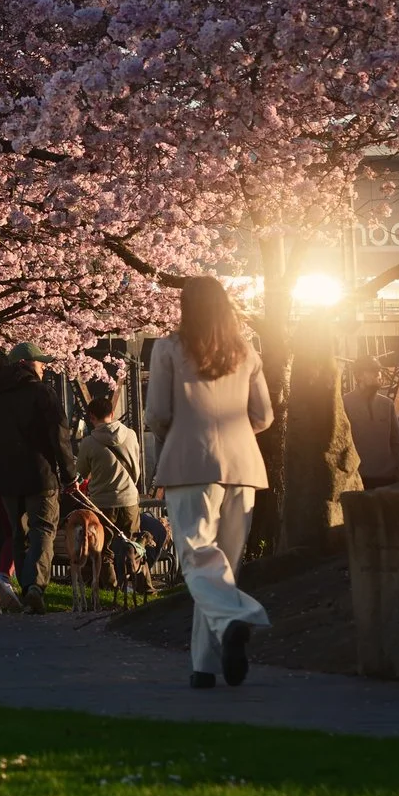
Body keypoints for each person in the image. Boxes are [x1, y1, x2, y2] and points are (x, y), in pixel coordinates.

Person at [145, 277, 271, 690]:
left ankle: (232, 621)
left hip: (189, 461)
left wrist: (179, 430)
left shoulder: (168, 349)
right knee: (223, 567)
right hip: (244, 466)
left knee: (199, 559)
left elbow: (157, 413)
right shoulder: (247, 352)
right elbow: (264, 415)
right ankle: (204, 665)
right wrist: (238, 435)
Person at [0, 342, 76, 614]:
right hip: (41, 477)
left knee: (18, 534)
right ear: (27, 365)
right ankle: (35, 587)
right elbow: (59, 437)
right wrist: (69, 475)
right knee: (43, 529)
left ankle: (24, 588)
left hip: (6, 480)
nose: (43, 367)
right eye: (40, 363)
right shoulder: (42, 393)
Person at [74, 385, 147, 594]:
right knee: (133, 545)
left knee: (103, 550)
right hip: (129, 499)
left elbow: (80, 474)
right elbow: (137, 467)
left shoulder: (88, 443)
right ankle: (138, 586)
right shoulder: (131, 435)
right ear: (112, 414)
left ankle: (112, 588)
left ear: (91, 417)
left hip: (102, 503)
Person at [344, 359, 399, 490]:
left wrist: (394, 468)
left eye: (379, 370)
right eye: (373, 370)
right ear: (358, 376)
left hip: (388, 479)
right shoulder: (345, 404)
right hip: (359, 481)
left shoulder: (387, 404)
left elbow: (396, 441)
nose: (378, 374)